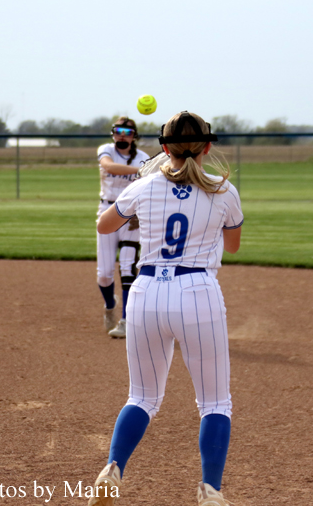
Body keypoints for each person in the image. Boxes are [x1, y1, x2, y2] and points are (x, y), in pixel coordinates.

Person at [90, 111, 243, 506]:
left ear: (162, 147)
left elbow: (105, 226)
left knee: (141, 397)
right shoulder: (224, 190)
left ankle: (112, 469)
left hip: (146, 294)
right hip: (198, 292)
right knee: (215, 402)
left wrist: (144, 190)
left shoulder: (146, 185)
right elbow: (234, 245)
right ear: (208, 147)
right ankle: (210, 489)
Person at [96, 116, 150, 338]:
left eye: (128, 132)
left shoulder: (144, 158)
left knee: (128, 267)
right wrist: (140, 171)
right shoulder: (107, 149)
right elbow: (108, 166)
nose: (123, 135)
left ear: (134, 136)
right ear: (113, 133)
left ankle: (127, 321)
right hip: (107, 211)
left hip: (131, 216)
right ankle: (110, 304)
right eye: (119, 130)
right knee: (104, 275)